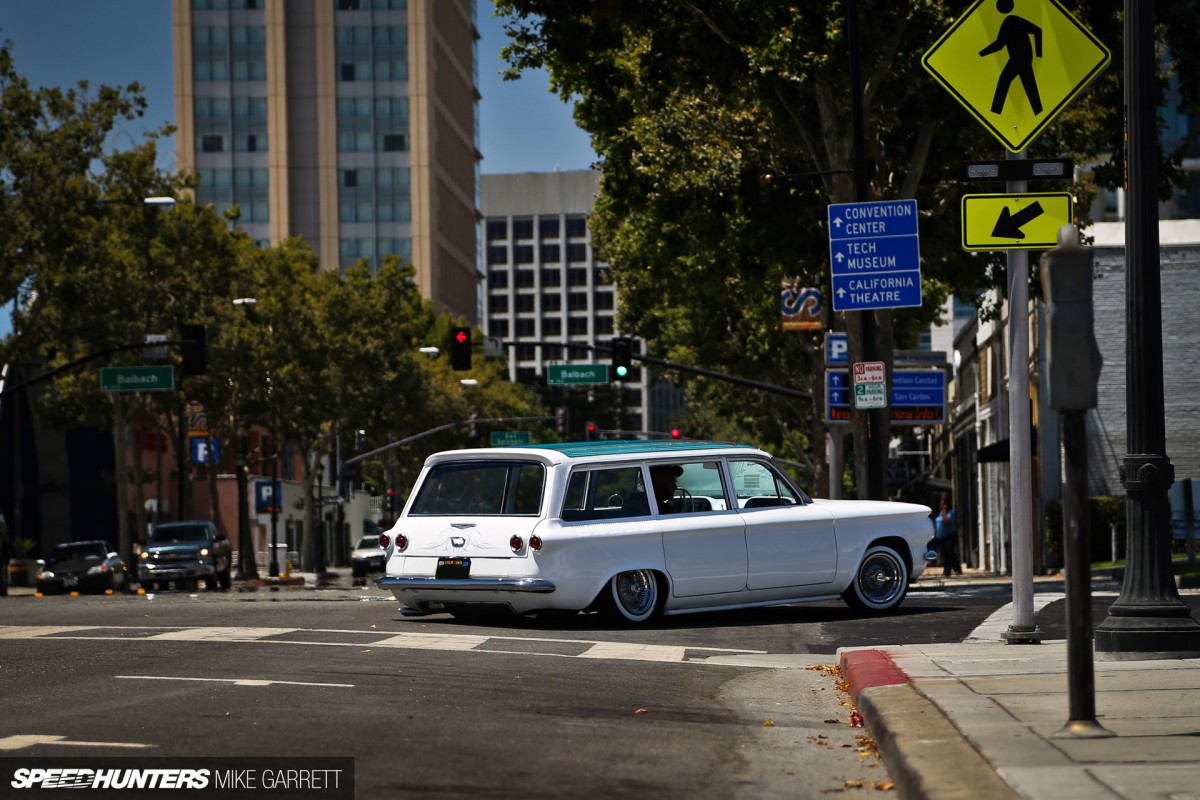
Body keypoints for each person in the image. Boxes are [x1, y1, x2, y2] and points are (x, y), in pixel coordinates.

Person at [934, 496, 961, 576]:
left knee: (950, 552)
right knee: (945, 554)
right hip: (940, 537)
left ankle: (949, 570)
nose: (941, 505)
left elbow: (947, 521)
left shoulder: (951, 512)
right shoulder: (940, 513)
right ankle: (949, 569)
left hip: (949, 536)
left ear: (946, 504)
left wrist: (944, 511)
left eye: (943, 504)